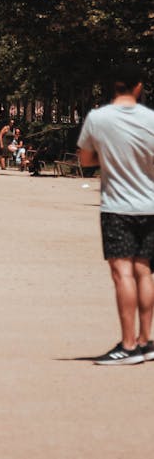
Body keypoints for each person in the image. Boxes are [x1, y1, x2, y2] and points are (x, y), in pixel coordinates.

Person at [78, 63, 154, 365]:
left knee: (122, 272)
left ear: (115, 87)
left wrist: (108, 157)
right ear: (139, 87)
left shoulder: (98, 118)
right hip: (150, 204)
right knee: (144, 271)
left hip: (117, 206)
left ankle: (128, 344)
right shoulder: (151, 119)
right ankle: (147, 340)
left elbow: (85, 160)